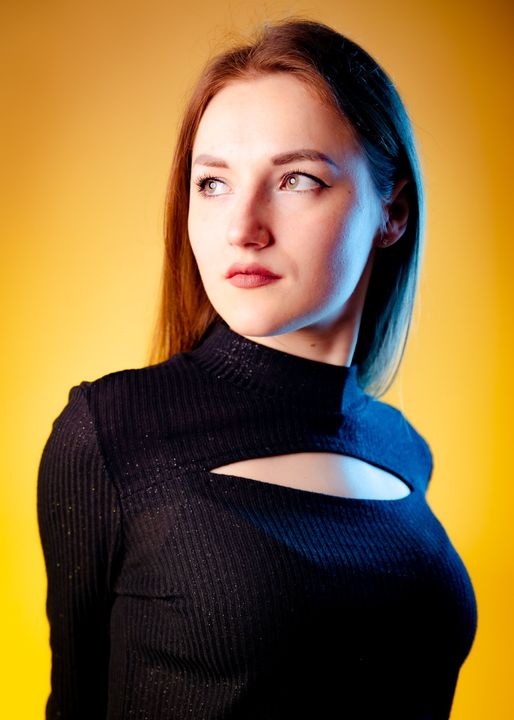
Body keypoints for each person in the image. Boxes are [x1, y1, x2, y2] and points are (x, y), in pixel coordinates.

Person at [37, 17, 477, 719]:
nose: (243, 227)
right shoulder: (111, 433)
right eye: (212, 184)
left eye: (297, 179)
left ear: (391, 212)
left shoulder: (403, 450)